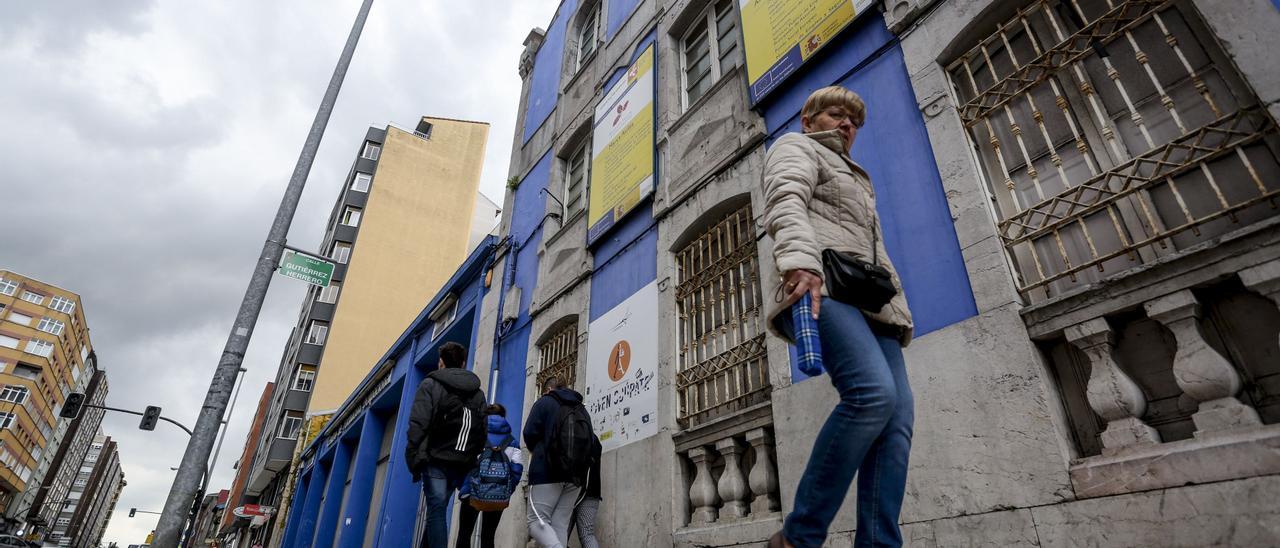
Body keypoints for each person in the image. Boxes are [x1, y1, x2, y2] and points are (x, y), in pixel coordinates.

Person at [762, 86, 915, 548]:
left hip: (873, 306)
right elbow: (785, 200)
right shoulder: (797, 146)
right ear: (810, 121)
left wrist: (897, 310)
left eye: (854, 122)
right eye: (836, 115)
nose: (847, 125)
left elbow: (871, 251)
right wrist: (799, 263)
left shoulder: (857, 176)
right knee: (871, 394)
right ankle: (798, 538)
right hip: (817, 287)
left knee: (897, 421)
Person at [405, 342, 487, 548]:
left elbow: (418, 422)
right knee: (437, 509)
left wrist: (414, 453)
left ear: (441, 362)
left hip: (436, 458)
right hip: (463, 461)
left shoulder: (430, 384)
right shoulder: (477, 392)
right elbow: (483, 429)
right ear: (463, 363)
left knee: (436, 510)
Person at [522, 376, 594, 548]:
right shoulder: (580, 407)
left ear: (548, 390)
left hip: (547, 470)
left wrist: (539, 450)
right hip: (576, 474)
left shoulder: (544, 402)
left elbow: (529, 433)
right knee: (559, 523)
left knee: (536, 522)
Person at [456, 404, 523, 548]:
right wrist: (507, 489)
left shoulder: (475, 436)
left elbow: (463, 462)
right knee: (488, 536)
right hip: (498, 495)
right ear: (503, 417)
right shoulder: (512, 442)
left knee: (464, 534)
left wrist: (463, 485)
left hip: (471, 493)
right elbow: (517, 469)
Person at [569, 435, 602, 548]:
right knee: (587, 534)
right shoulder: (594, 439)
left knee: (560, 534)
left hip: (570, 493)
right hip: (592, 493)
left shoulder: (570, 433)